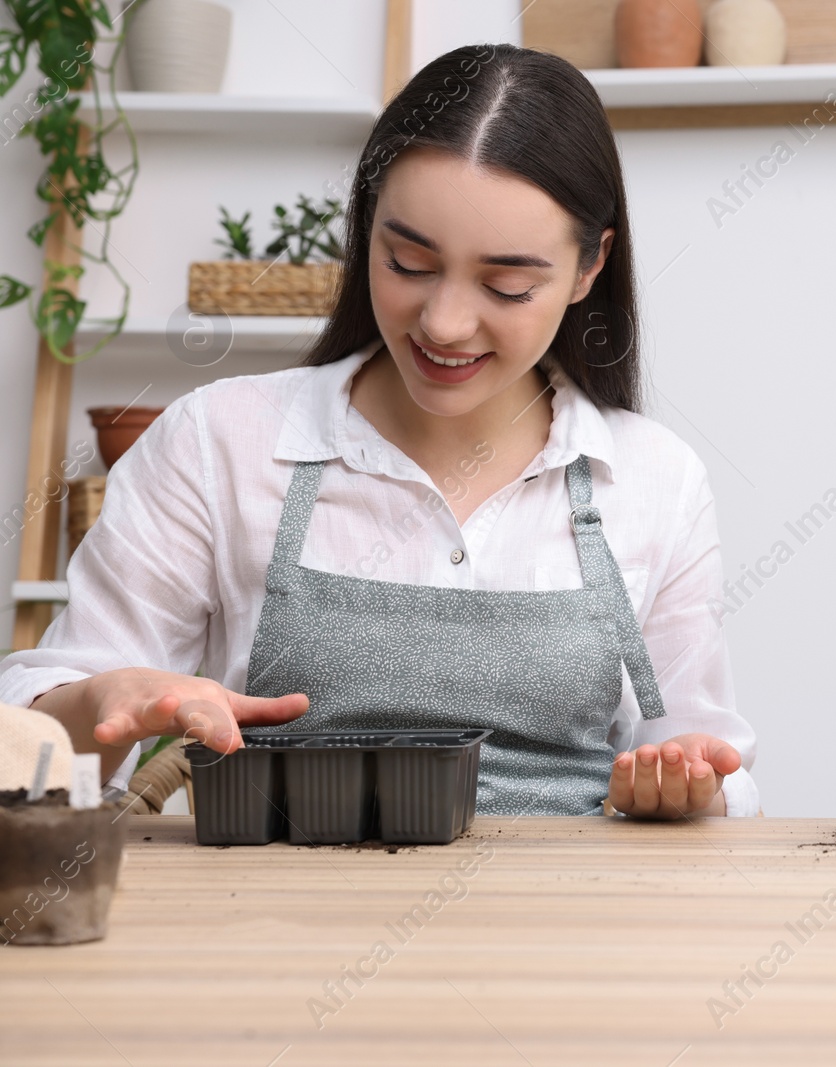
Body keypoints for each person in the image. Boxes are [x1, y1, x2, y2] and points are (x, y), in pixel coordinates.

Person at [0, 44, 757, 819]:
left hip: (563, 925)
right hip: (267, 926)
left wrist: (688, 784)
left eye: (507, 285)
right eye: (408, 262)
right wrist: (106, 694)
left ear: (590, 268)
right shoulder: (216, 439)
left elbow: (707, 752)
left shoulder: (655, 477)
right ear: (366, 228)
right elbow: (30, 733)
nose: (444, 323)